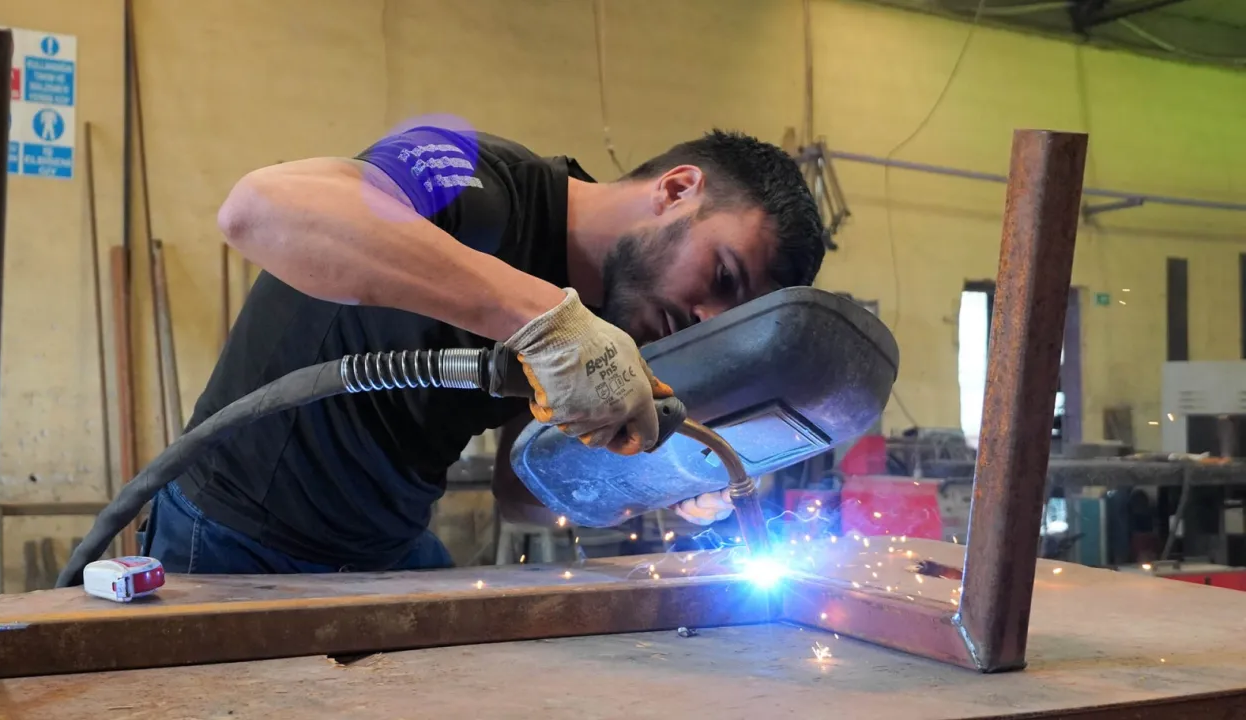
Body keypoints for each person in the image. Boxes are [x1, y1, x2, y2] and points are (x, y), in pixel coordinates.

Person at [138, 122, 825, 574]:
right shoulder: (475, 175)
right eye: (723, 276)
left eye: (730, 313)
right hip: (234, 535)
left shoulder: (609, 327)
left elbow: (521, 497)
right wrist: (542, 318)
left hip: (384, 546)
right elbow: (259, 209)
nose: (704, 317)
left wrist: (653, 484)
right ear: (676, 190)